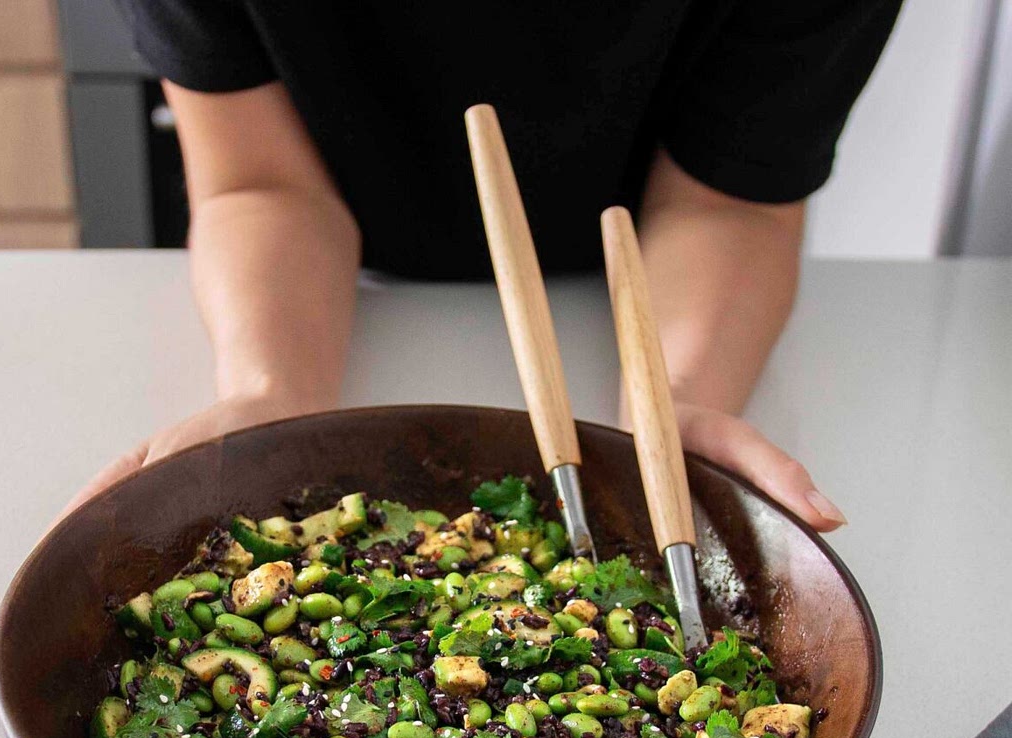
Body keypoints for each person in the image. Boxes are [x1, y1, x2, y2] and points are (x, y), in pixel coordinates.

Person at [74, 0, 902, 529]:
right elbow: (262, 184)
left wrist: (678, 400)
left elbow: (725, 201)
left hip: (649, 269)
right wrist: (273, 398)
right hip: (334, 282)